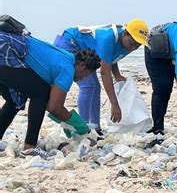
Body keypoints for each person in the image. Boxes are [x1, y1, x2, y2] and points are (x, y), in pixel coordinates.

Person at [0, 31, 101, 159]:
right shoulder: (68, 69)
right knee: (40, 93)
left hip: (6, 45)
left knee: (15, 100)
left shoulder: (65, 56)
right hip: (5, 50)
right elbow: (54, 107)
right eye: (86, 74)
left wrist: (66, 122)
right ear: (81, 65)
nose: (82, 78)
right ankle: (30, 147)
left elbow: (51, 104)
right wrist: (79, 125)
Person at [53, 19, 149, 134]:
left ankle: (95, 127)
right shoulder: (108, 38)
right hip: (69, 43)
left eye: (137, 46)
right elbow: (104, 72)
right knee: (89, 86)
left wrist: (117, 75)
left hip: (87, 52)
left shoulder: (128, 43)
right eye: (132, 43)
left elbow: (111, 58)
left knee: (95, 87)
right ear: (124, 33)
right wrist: (115, 105)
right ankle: (84, 128)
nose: (133, 48)